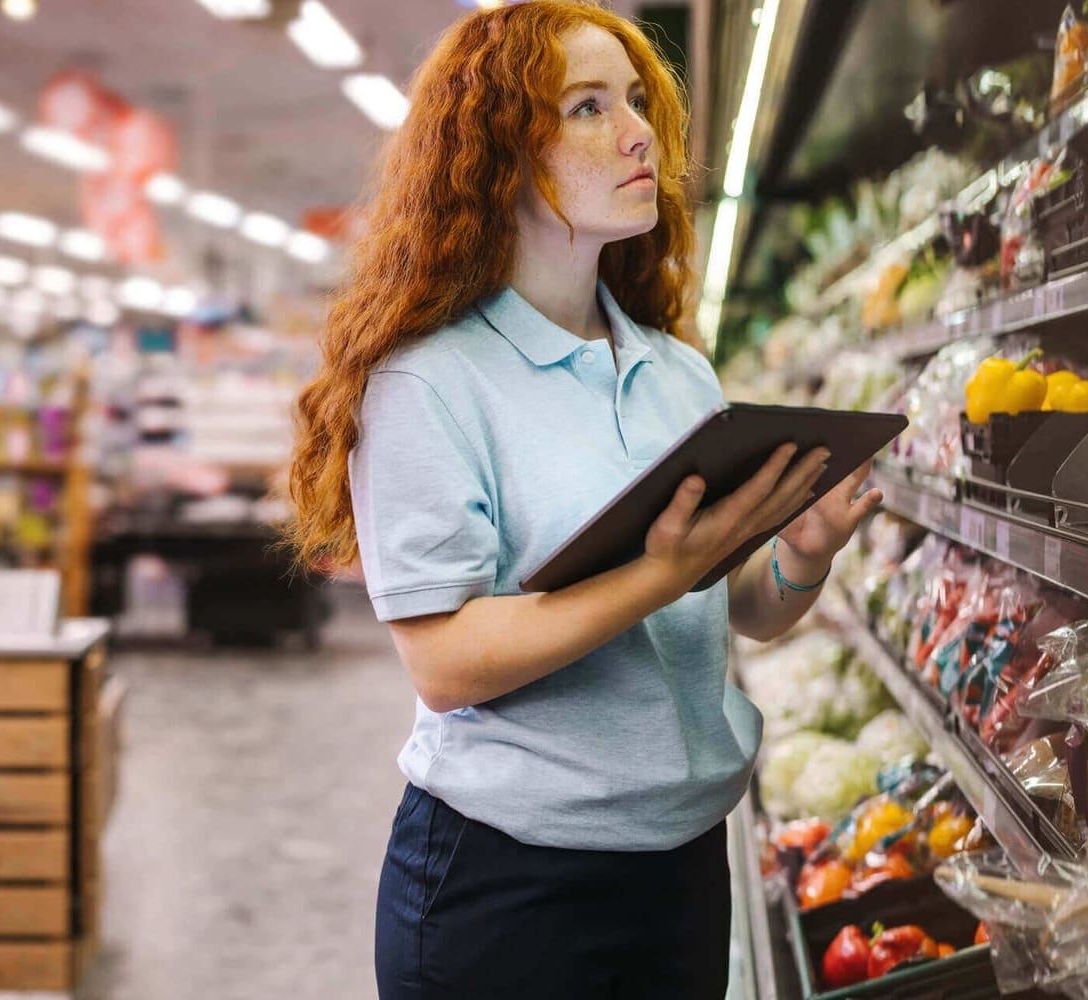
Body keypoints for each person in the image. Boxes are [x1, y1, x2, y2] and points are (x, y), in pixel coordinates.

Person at [287, 2, 881, 996]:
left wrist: (803, 550)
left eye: (638, 101)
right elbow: (444, 662)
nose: (639, 131)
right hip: (510, 885)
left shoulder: (679, 373)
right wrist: (661, 574)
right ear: (498, 154)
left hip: (682, 865)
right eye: (587, 107)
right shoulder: (428, 384)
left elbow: (740, 606)